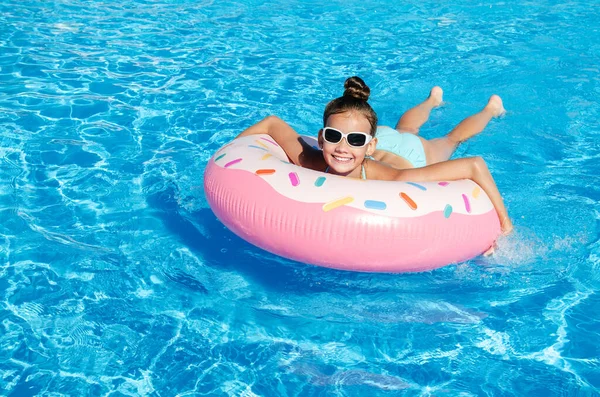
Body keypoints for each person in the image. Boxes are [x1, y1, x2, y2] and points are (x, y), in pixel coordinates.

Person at [237, 76, 513, 234]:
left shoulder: (394, 179)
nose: (342, 148)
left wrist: (505, 225)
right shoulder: (312, 158)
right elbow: (272, 122)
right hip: (379, 138)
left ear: (369, 145)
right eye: (333, 137)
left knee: (450, 139)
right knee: (405, 127)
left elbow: (474, 165)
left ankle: (490, 109)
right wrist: (232, 151)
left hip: (412, 153)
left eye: (354, 140)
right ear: (321, 138)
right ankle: (432, 100)